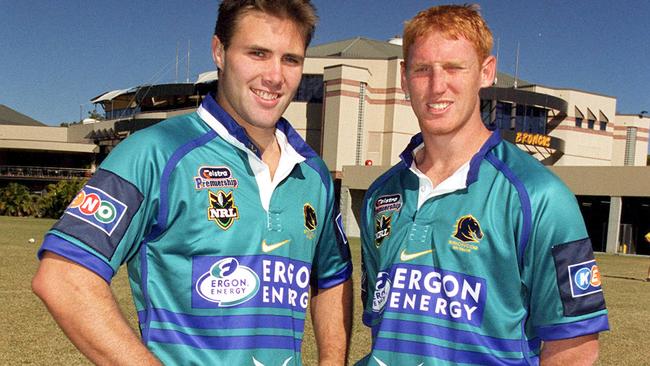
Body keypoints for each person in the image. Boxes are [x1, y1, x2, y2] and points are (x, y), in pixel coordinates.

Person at [32, 1, 352, 365]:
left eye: (290, 59)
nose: (275, 76)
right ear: (219, 51)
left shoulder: (313, 173)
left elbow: (331, 277)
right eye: (258, 53)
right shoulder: (155, 152)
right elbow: (63, 275)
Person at [357, 4, 608, 365]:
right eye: (422, 69)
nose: (437, 85)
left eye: (454, 68)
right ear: (403, 77)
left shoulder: (539, 194)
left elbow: (576, 348)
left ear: (486, 72)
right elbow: (384, 324)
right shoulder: (382, 195)